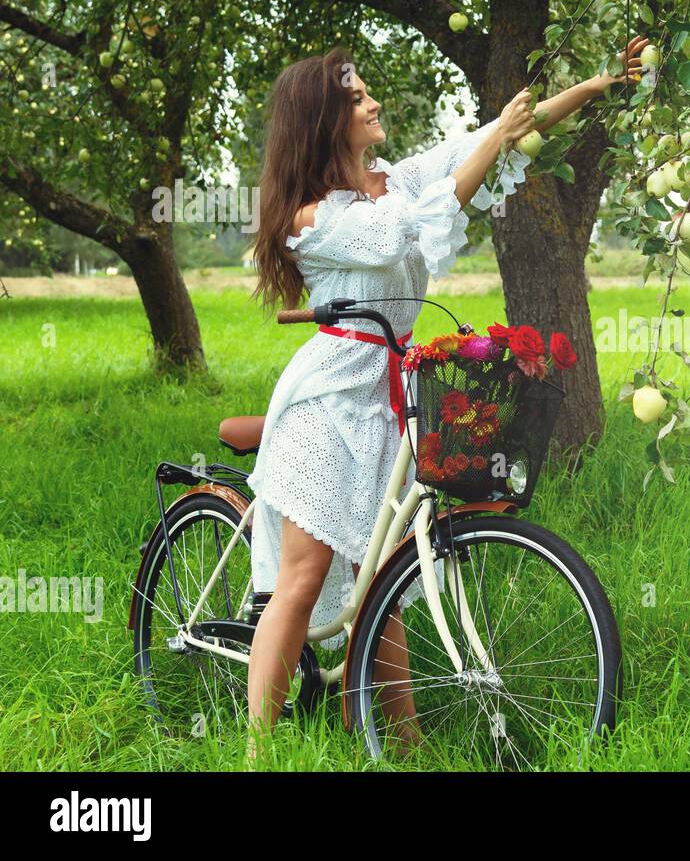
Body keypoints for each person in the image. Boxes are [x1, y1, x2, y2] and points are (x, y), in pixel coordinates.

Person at [245, 38, 647, 758]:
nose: (374, 104)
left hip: (386, 399)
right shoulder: (315, 218)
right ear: (327, 120)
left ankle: (403, 748)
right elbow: (404, 229)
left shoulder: (397, 178)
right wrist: (495, 135)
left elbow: (500, 136)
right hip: (324, 401)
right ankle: (253, 752)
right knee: (304, 582)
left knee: (380, 581)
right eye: (359, 97)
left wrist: (596, 84)